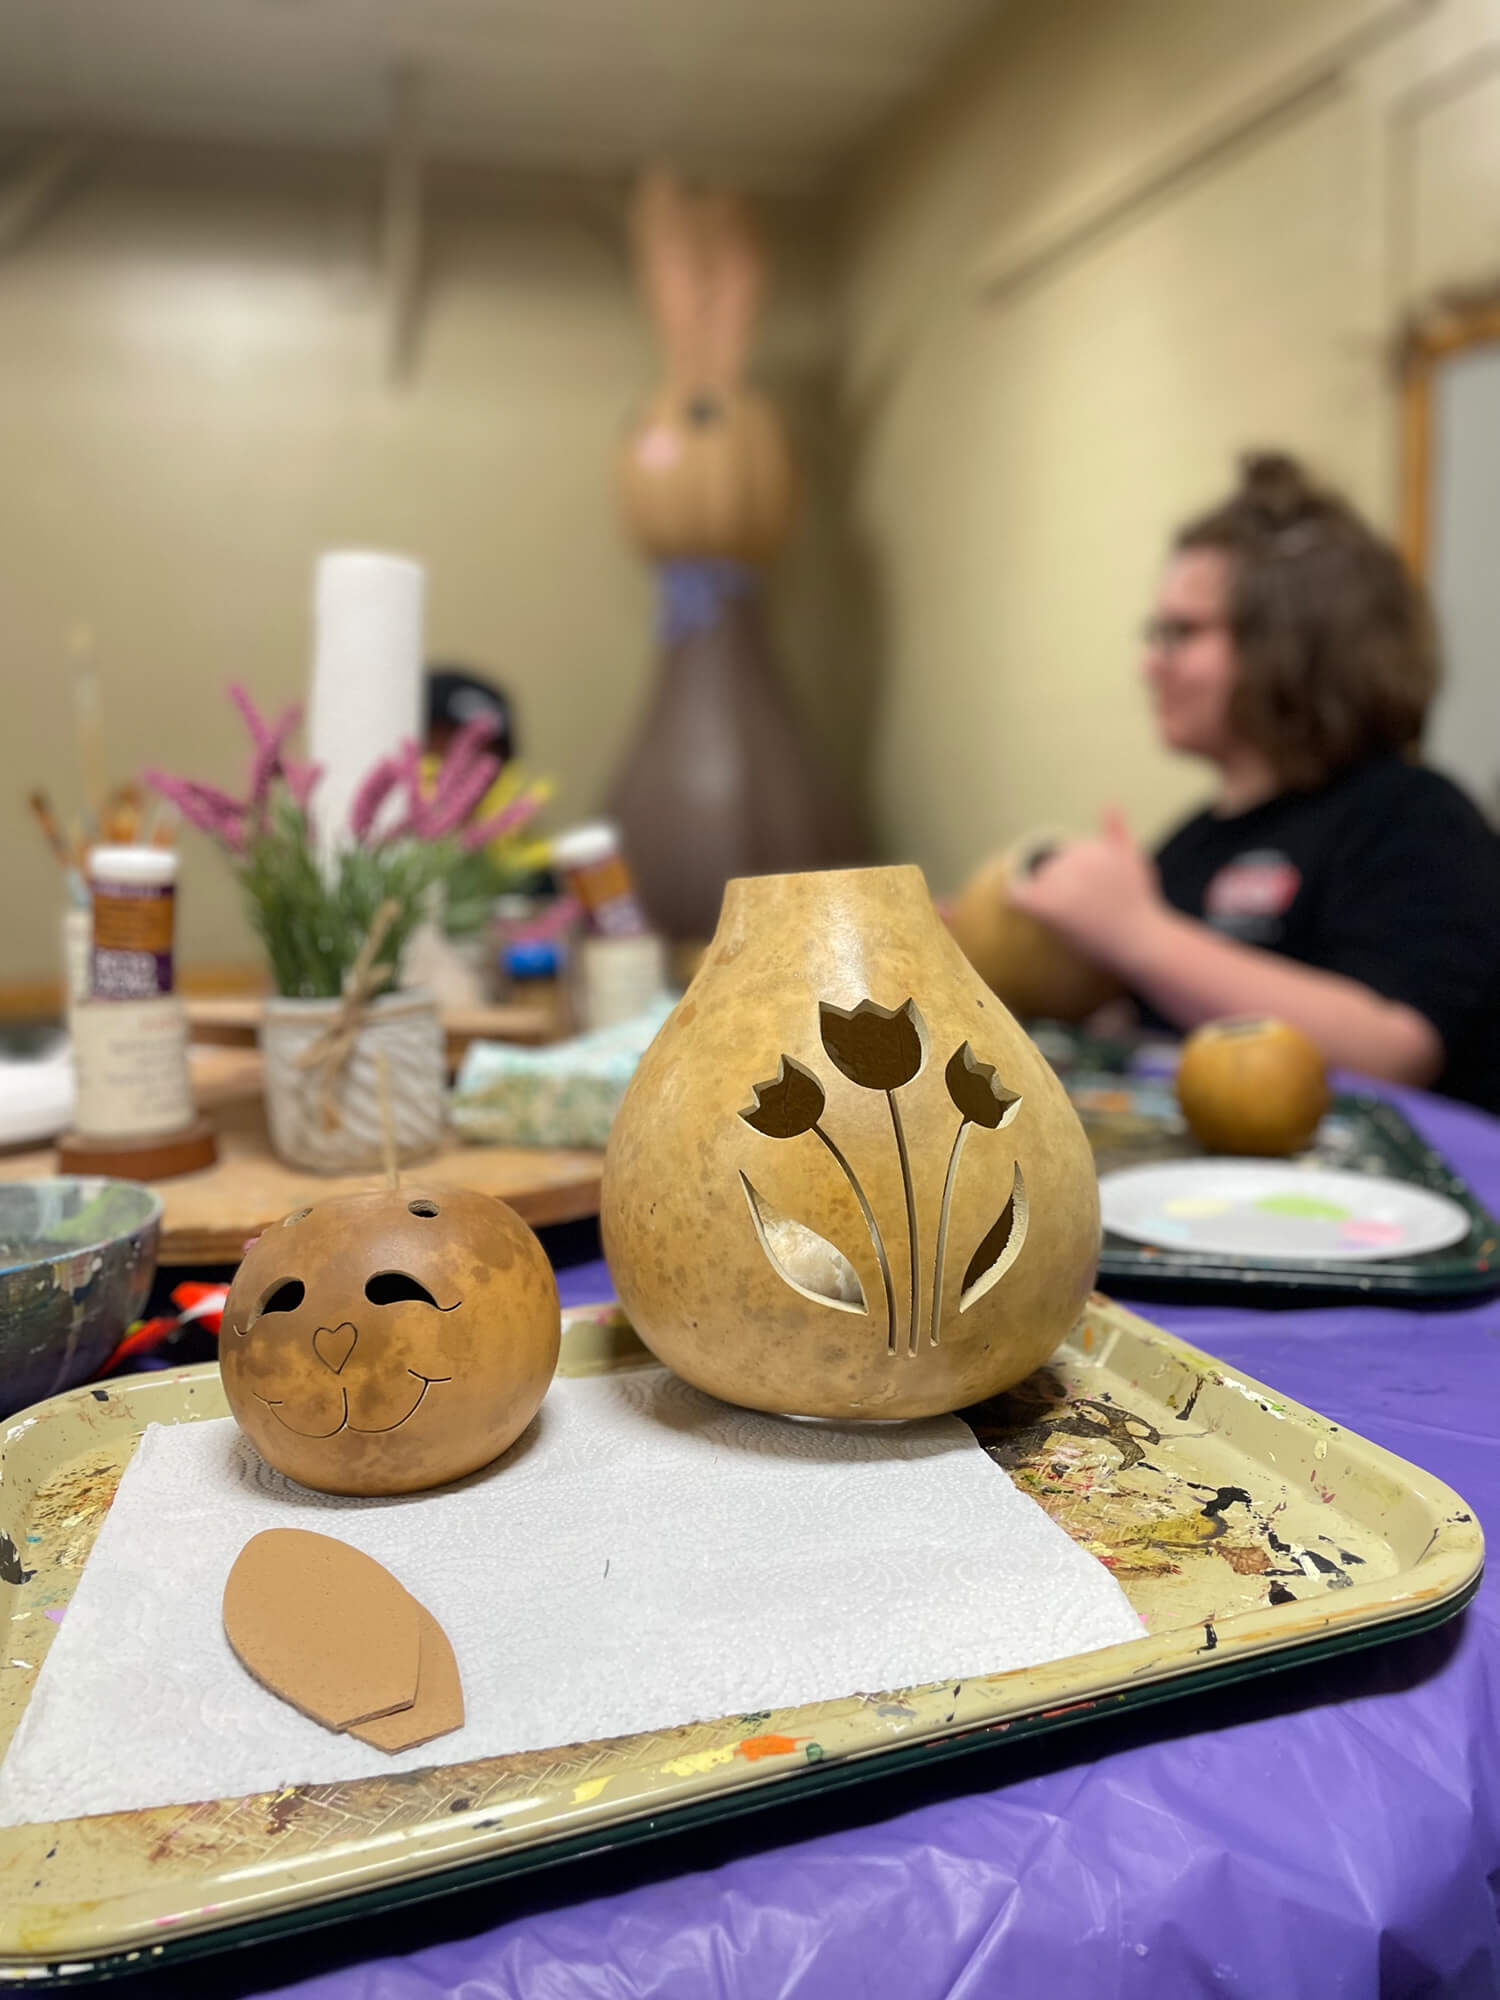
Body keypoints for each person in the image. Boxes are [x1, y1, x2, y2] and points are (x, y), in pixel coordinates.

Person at [1007, 452, 1500, 1111]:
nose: (1150, 663)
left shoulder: (1412, 815)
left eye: (1181, 632)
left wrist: (1138, 934)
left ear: (1292, 642)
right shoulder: (1192, 845)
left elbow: (1395, 1048)